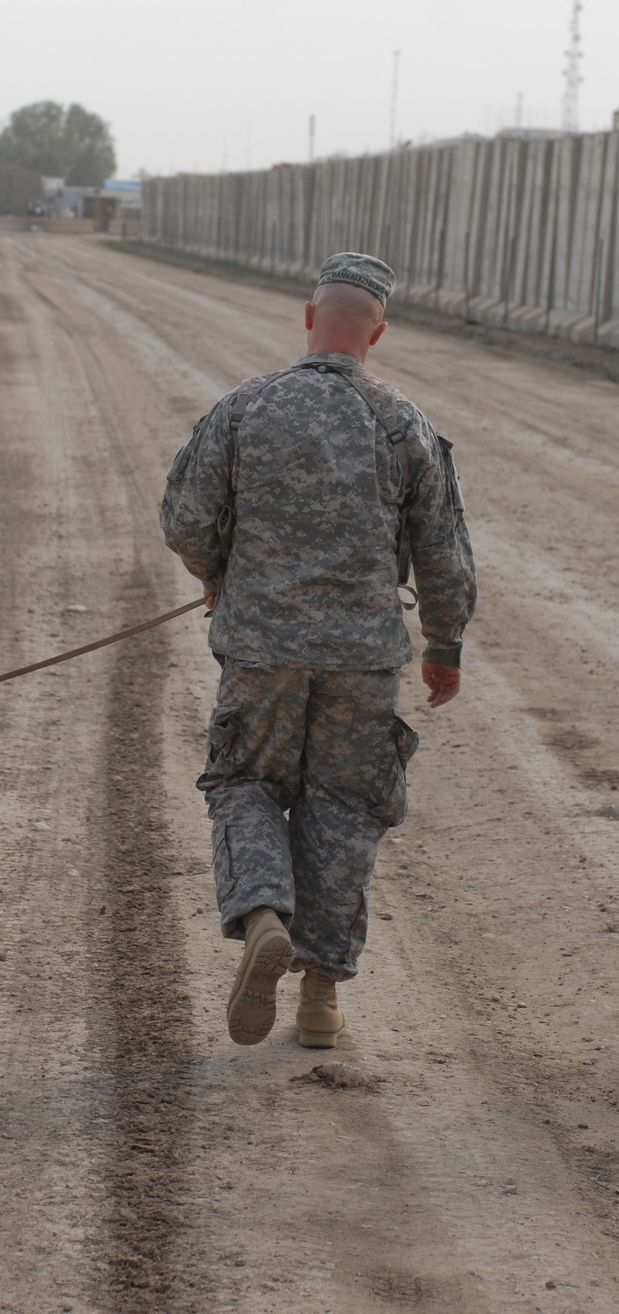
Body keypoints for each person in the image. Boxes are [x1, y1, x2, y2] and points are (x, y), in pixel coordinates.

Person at [160, 252, 477, 1048]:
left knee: (244, 783)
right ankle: (321, 1001)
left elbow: (186, 520)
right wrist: (444, 646)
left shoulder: (244, 407)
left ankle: (265, 914)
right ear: (378, 331)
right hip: (361, 658)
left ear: (309, 318)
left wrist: (219, 575)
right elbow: (441, 551)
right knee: (345, 808)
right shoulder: (402, 422)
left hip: (262, 647)